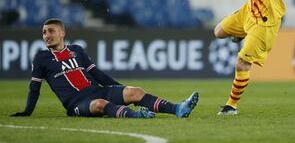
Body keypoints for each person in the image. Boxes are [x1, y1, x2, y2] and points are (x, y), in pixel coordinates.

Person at [11, 18, 199, 119]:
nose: (46, 36)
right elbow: (34, 87)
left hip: (97, 90)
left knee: (135, 91)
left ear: (62, 33)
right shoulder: (41, 58)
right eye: (44, 32)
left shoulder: (76, 50)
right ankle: (135, 115)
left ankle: (178, 109)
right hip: (77, 103)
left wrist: (121, 90)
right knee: (99, 105)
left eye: (51, 31)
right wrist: (28, 111)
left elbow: (96, 73)